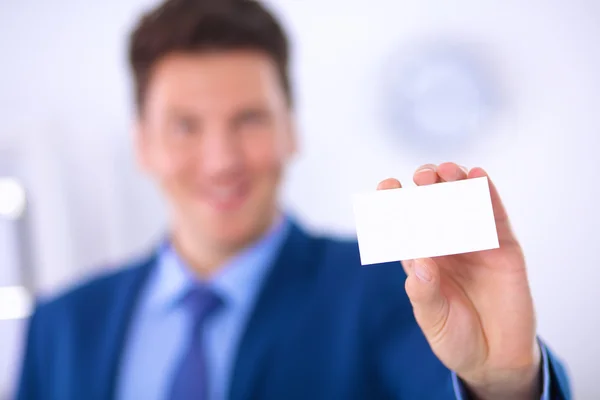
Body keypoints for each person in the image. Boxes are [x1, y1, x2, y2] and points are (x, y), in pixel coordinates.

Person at [15, 0, 571, 399]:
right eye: (185, 126)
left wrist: (502, 384)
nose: (220, 160)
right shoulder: (60, 325)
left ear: (291, 130)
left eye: (249, 119)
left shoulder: (400, 289)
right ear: (143, 145)